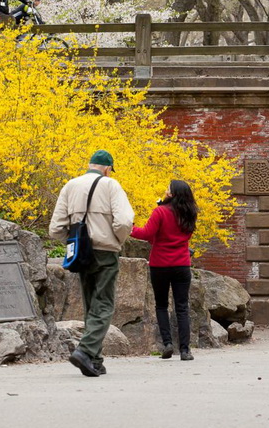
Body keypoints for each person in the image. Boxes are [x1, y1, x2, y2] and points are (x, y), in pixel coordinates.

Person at [49, 150, 134, 377]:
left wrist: (72, 239)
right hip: (106, 251)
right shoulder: (110, 185)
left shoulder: (70, 185)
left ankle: (95, 360)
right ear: (107, 168)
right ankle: (85, 351)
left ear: (90, 165)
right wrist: (117, 239)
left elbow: (55, 228)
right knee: (104, 304)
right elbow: (124, 221)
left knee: (90, 304)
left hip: (81, 253)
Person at [129, 179, 199, 361]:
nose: (165, 190)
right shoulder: (190, 214)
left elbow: (146, 234)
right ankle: (185, 350)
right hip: (182, 264)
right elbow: (178, 235)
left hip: (160, 265)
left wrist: (129, 228)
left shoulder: (160, 211)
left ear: (173, 194)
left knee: (161, 305)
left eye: (168, 189)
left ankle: (167, 343)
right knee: (182, 307)